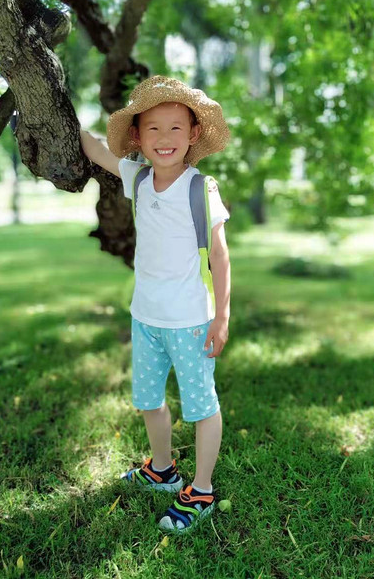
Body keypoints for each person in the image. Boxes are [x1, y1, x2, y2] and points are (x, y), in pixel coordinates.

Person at [80, 75, 232, 534]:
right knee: (149, 400)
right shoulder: (139, 178)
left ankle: (201, 490)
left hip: (189, 321)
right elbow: (95, 150)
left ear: (193, 136)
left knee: (201, 405)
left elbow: (222, 256)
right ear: (137, 137)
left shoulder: (199, 188)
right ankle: (162, 470)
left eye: (175, 129)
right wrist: (44, 109)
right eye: (153, 129)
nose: (164, 139)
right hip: (145, 317)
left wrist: (221, 317)